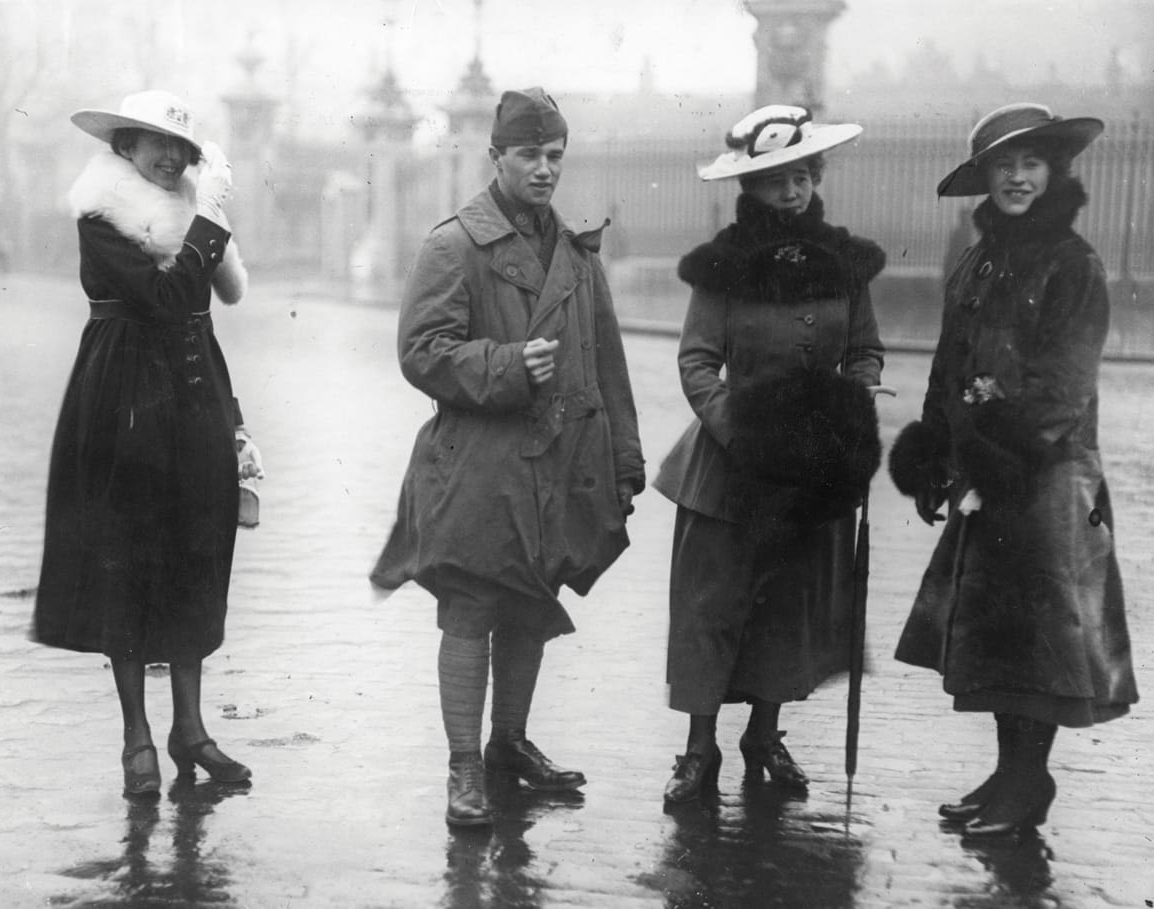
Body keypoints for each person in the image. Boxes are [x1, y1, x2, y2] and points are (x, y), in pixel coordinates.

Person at [371, 87, 645, 828]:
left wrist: (624, 456)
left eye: (556, 155)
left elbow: (609, 364)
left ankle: (509, 746)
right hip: (477, 464)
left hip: (556, 462)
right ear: (496, 157)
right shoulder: (454, 244)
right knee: (472, 604)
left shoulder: (576, 251)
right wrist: (507, 365)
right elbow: (420, 352)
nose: (545, 169)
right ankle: (463, 765)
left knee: (531, 599)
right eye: (529, 154)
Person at [889, 103, 1138, 837]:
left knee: (1040, 640)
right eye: (1005, 166)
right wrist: (937, 450)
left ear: (1054, 171)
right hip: (985, 476)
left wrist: (1001, 451)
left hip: (1049, 479)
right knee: (996, 635)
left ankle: (1029, 785)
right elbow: (949, 362)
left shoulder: (1073, 263)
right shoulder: (978, 259)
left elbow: (1066, 385)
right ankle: (1008, 774)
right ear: (986, 178)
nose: (1018, 178)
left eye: (1031, 164)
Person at [32, 90, 263, 798]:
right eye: (156, 142)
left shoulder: (188, 219)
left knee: (197, 549)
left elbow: (204, 314)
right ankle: (137, 735)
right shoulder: (102, 215)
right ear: (123, 147)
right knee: (124, 560)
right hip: (121, 395)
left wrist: (233, 418)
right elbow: (164, 302)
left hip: (193, 394)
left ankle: (189, 726)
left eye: (184, 148)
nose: (172, 157)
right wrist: (211, 220)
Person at [654, 105, 887, 803]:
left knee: (786, 604)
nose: (791, 193)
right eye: (773, 180)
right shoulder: (721, 268)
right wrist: (747, 437)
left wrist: (850, 407)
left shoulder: (847, 263)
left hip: (813, 467)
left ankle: (764, 732)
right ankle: (700, 750)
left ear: (816, 177)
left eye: (801, 177)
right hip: (731, 467)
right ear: (748, 189)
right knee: (713, 605)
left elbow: (867, 351)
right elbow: (697, 363)